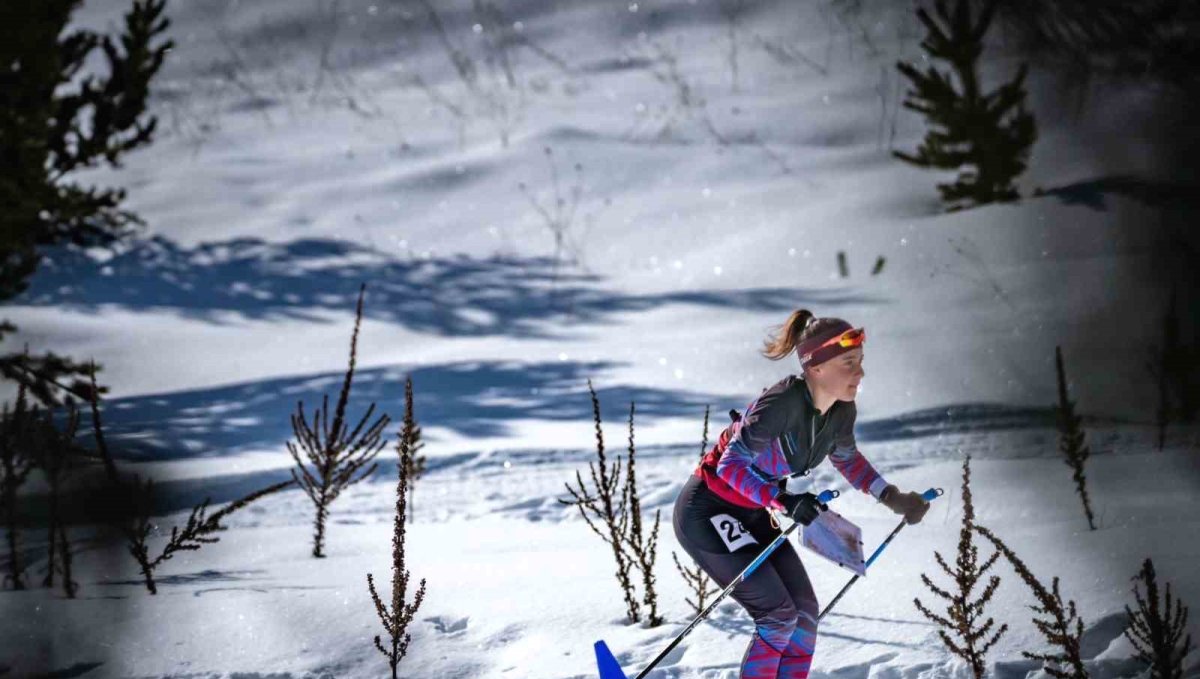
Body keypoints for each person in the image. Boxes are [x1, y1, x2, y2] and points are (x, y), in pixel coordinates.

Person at [672, 309, 931, 679]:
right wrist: (785, 501)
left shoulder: (841, 410)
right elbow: (731, 467)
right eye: (849, 363)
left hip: (753, 512)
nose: (860, 373)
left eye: (860, 362)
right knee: (777, 616)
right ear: (817, 368)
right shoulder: (780, 404)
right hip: (707, 511)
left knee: (804, 615)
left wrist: (892, 497)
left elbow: (848, 459)